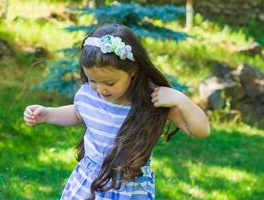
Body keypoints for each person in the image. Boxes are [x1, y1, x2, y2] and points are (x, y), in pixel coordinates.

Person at [23, 23, 210, 200]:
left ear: (133, 70)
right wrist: (47, 114)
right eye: (93, 80)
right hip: (88, 180)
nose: (100, 89)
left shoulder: (150, 100)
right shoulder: (89, 93)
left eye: (110, 83)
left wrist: (182, 100)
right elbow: (78, 113)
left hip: (128, 186)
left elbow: (200, 131)